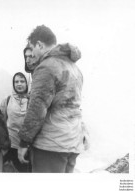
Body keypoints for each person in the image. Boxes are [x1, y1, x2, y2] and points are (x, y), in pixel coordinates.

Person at [18, 25, 86, 173]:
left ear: (40, 45)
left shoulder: (46, 67)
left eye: (32, 48)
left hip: (51, 145)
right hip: (72, 141)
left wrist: (24, 142)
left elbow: (37, 108)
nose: (32, 54)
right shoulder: (74, 68)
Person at [0, 72, 31, 172]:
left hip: (28, 147)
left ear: (27, 83)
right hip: (11, 146)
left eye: (22, 81)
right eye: (16, 81)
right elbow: (0, 121)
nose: (19, 84)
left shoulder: (33, 101)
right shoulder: (7, 100)